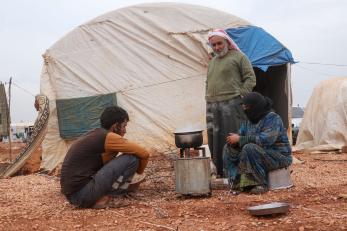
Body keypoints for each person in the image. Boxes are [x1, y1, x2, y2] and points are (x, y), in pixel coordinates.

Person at [60, 106, 150, 209]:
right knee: (132, 158)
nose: (125, 131)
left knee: (120, 160)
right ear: (115, 126)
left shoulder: (97, 134)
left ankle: (103, 196)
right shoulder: (109, 137)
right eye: (124, 126)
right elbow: (144, 153)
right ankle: (113, 196)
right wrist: (139, 173)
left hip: (75, 196)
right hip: (82, 195)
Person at [206, 29, 256, 177]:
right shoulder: (212, 61)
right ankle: (221, 172)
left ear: (227, 42)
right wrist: (207, 96)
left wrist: (242, 94)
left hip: (232, 103)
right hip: (212, 104)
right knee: (214, 139)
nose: (216, 47)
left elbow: (250, 78)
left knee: (232, 137)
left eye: (219, 43)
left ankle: (238, 173)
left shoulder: (239, 57)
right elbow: (208, 81)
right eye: (213, 45)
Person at [223, 92, 292, 194]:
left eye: (247, 107)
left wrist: (240, 139)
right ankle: (235, 182)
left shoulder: (272, 118)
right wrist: (234, 142)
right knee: (228, 148)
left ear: (255, 107)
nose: (244, 110)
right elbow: (241, 136)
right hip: (258, 153)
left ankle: (260, 184)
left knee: (250, 148)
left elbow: (266, 140)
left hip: (279, 156)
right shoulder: (248, 121)